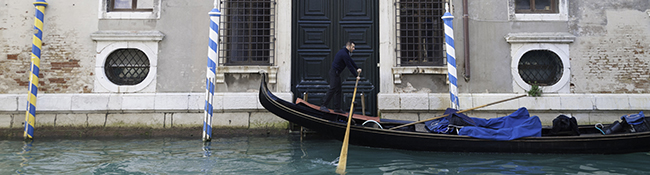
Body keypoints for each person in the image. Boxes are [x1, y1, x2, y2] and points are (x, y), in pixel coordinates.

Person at [320, 41, 362, 113]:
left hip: (336, 73)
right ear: (348, 46)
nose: (354, 48)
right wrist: (356, 76)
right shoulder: (344, 54)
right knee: (332, 88)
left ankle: (337, 108)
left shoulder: (345, 53)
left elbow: (351, 61)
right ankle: (323, 105)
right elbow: (349, 66)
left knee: (338, 90)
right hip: (334, 73)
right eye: (353, 47)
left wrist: (357, 68)